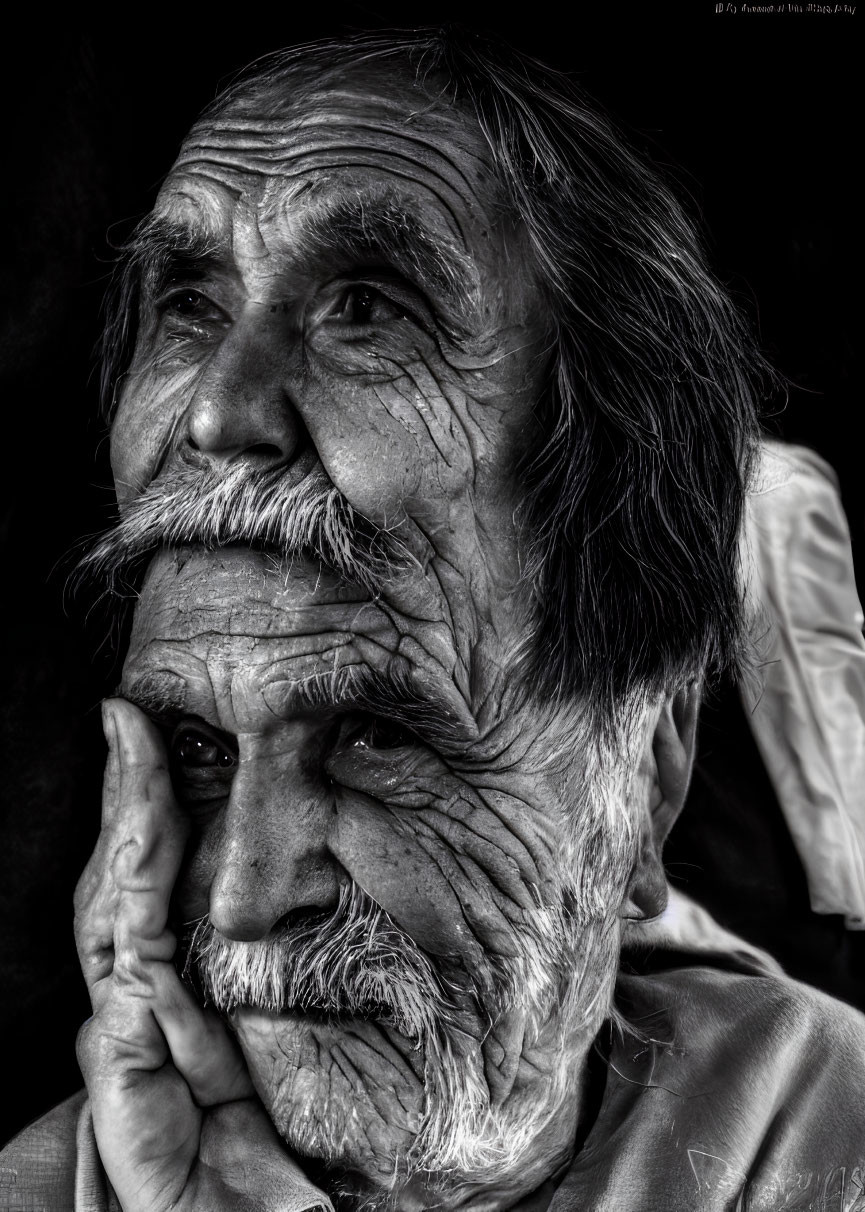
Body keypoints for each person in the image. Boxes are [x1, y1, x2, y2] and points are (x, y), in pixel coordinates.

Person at [2, 28, 863, 1212]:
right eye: (194, 753)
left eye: (377, 738)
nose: (245, 897)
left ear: (651, 765)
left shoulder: (830, 1138)